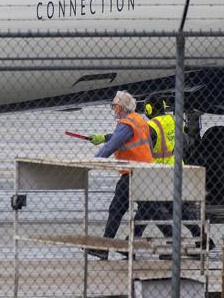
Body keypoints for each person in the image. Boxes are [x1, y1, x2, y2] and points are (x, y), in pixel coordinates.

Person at [136, 96, 212, 251]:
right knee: (168, 207)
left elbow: (141, 148)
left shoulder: (150, 126)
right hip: (176, 170)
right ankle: (202, 238)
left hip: (158, 174)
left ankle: (139, 240)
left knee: (150, 207)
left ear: (149, 110)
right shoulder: (174, 121)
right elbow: (187, 141)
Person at [86, 91, 153, 257]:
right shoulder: (139, 119)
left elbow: (112, 146)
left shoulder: (126, 123)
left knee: (116, 209)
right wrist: (104, 137)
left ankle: (105, 247)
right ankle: (131, 242)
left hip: (132, 173)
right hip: (146, 172)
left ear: (122, 107)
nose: (113, 109)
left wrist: (92, 162)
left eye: (115, 106)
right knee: (148, 210)